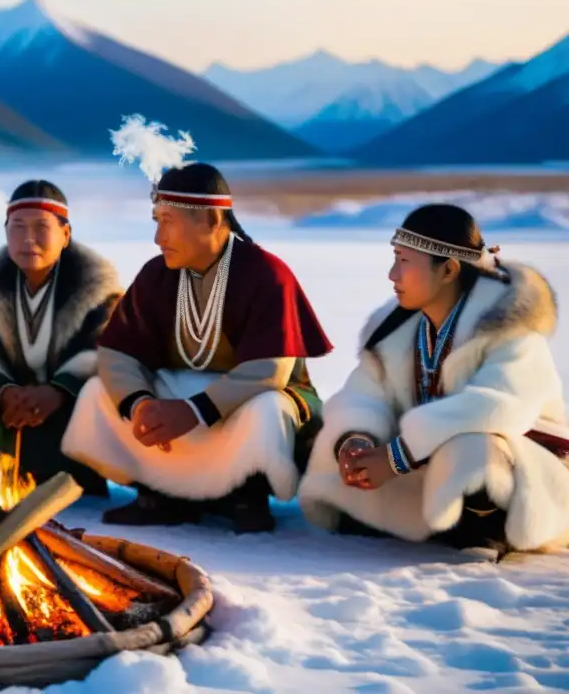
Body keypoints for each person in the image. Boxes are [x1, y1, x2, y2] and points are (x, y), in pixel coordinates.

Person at [62, 163, 332, 531]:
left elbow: (269, 371)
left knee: (267, 408)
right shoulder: (156, 275)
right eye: (156, 221)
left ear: (210, 219)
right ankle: (157, 493)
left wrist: (192, 411)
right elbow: (118, 352)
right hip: (181, 395)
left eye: (168, 221)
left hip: (248, 401)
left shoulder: (266, 274)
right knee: (99, 393)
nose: (159, 237)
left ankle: (243, 495)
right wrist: (141, 403)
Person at [298, 204, 569, 554]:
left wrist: (397, 458)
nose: (392, 275)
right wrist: (357, 438)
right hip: (423, 465)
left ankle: (482, 531)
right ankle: (420, 519)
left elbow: (496, 407)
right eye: (394, 259)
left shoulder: (509, 327)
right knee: (338, 446)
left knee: (474, 443)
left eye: (404, 261)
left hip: (526, 472)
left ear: (448, 270)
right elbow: (363, 393)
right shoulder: (398, 328)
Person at [0, 181, 122, 495]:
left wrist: (59, 391)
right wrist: (4, 391)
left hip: (71, 412)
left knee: (104, 389)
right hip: (9, 412)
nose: (28, 239)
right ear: (6, 232)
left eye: (41, 227)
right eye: (17, 227)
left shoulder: (97, 283)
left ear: (66, 235)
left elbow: (104, 347)